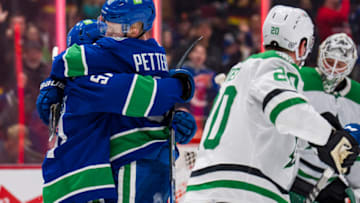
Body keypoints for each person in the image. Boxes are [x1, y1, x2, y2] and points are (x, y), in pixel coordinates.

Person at [183, 5, 359, 203]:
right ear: (302, 45)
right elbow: (287, 112)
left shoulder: (241, 69)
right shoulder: (277, 65)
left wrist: (317, 132)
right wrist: (331, 139)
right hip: (244, 191)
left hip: (205, 190)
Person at [38, 2, 197, 202]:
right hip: (78, 177)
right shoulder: (85, 83)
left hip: (89, 172)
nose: (109, 40)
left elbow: (131, 98)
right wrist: (179, 86)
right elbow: (143, 95)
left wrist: (172, 119)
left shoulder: (92, 75)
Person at [290, 33, 360, 203]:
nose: (333, 69)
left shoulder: (357, 97)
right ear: (321, 55)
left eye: (341, 64)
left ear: (350, 66)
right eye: (329, 61)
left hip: (329, 182)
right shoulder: (299, 77)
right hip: (291, 173)